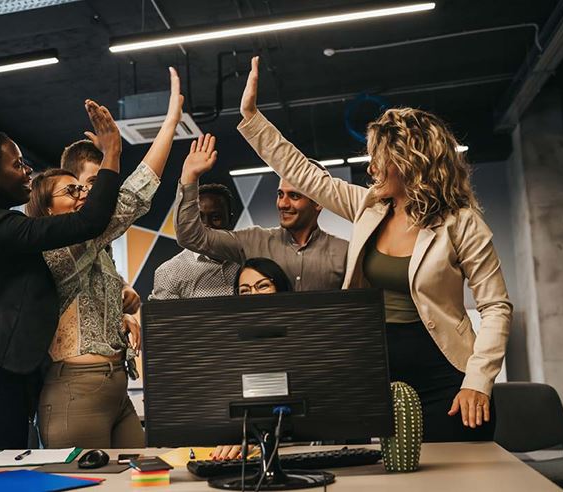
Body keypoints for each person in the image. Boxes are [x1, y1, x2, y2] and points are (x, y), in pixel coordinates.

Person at [237, 56, 512, 442]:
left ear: (410, 164)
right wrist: (252, 119)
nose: (372, 169)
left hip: (446, 376)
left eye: (380, 160)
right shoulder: (368, 207)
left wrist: (479, 379)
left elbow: (495, 306)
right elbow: (303, 172)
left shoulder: (461, 223)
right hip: (376, 371)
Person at [0, 102, 120, 450]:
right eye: (18, 164)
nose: (28, 171)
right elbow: (89, 223)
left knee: (2, 468)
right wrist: (112, 152)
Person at [25, 68, 184, 449]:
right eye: (73, 190)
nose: (85, 197)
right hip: (76, 392)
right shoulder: (54, 248)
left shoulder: (98, 249)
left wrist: (121, 313)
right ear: (46, 210)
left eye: (88, 189)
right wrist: (169, 123)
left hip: (116, 386)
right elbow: (133, 196)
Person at [175, 133, 347, 292]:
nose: (283, 204)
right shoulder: (252, 241)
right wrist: (189, 177)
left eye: (294, 196)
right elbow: (190, 237)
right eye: (280, 194)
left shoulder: (344, 252)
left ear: (318, 203)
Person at [212, 257, 291, 460]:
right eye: (245, 290)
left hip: (296, 444)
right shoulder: (227, 347)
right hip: (249, 448)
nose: (253, 295)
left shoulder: (302, 339)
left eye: (262, 286)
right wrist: (234, 434)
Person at [60, 140, 142, 314]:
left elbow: (99, 275)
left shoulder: (101, 236)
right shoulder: (67, 235)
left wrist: (123, 288)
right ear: (72, 185)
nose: (102, 189)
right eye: (94, 181)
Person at [149, 183, 240, 300]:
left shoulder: (247, 260)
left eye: (216, 217)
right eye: (199, 218)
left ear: (230, 220)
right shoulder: (169, 272)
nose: (206, 225)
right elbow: (165, 318)